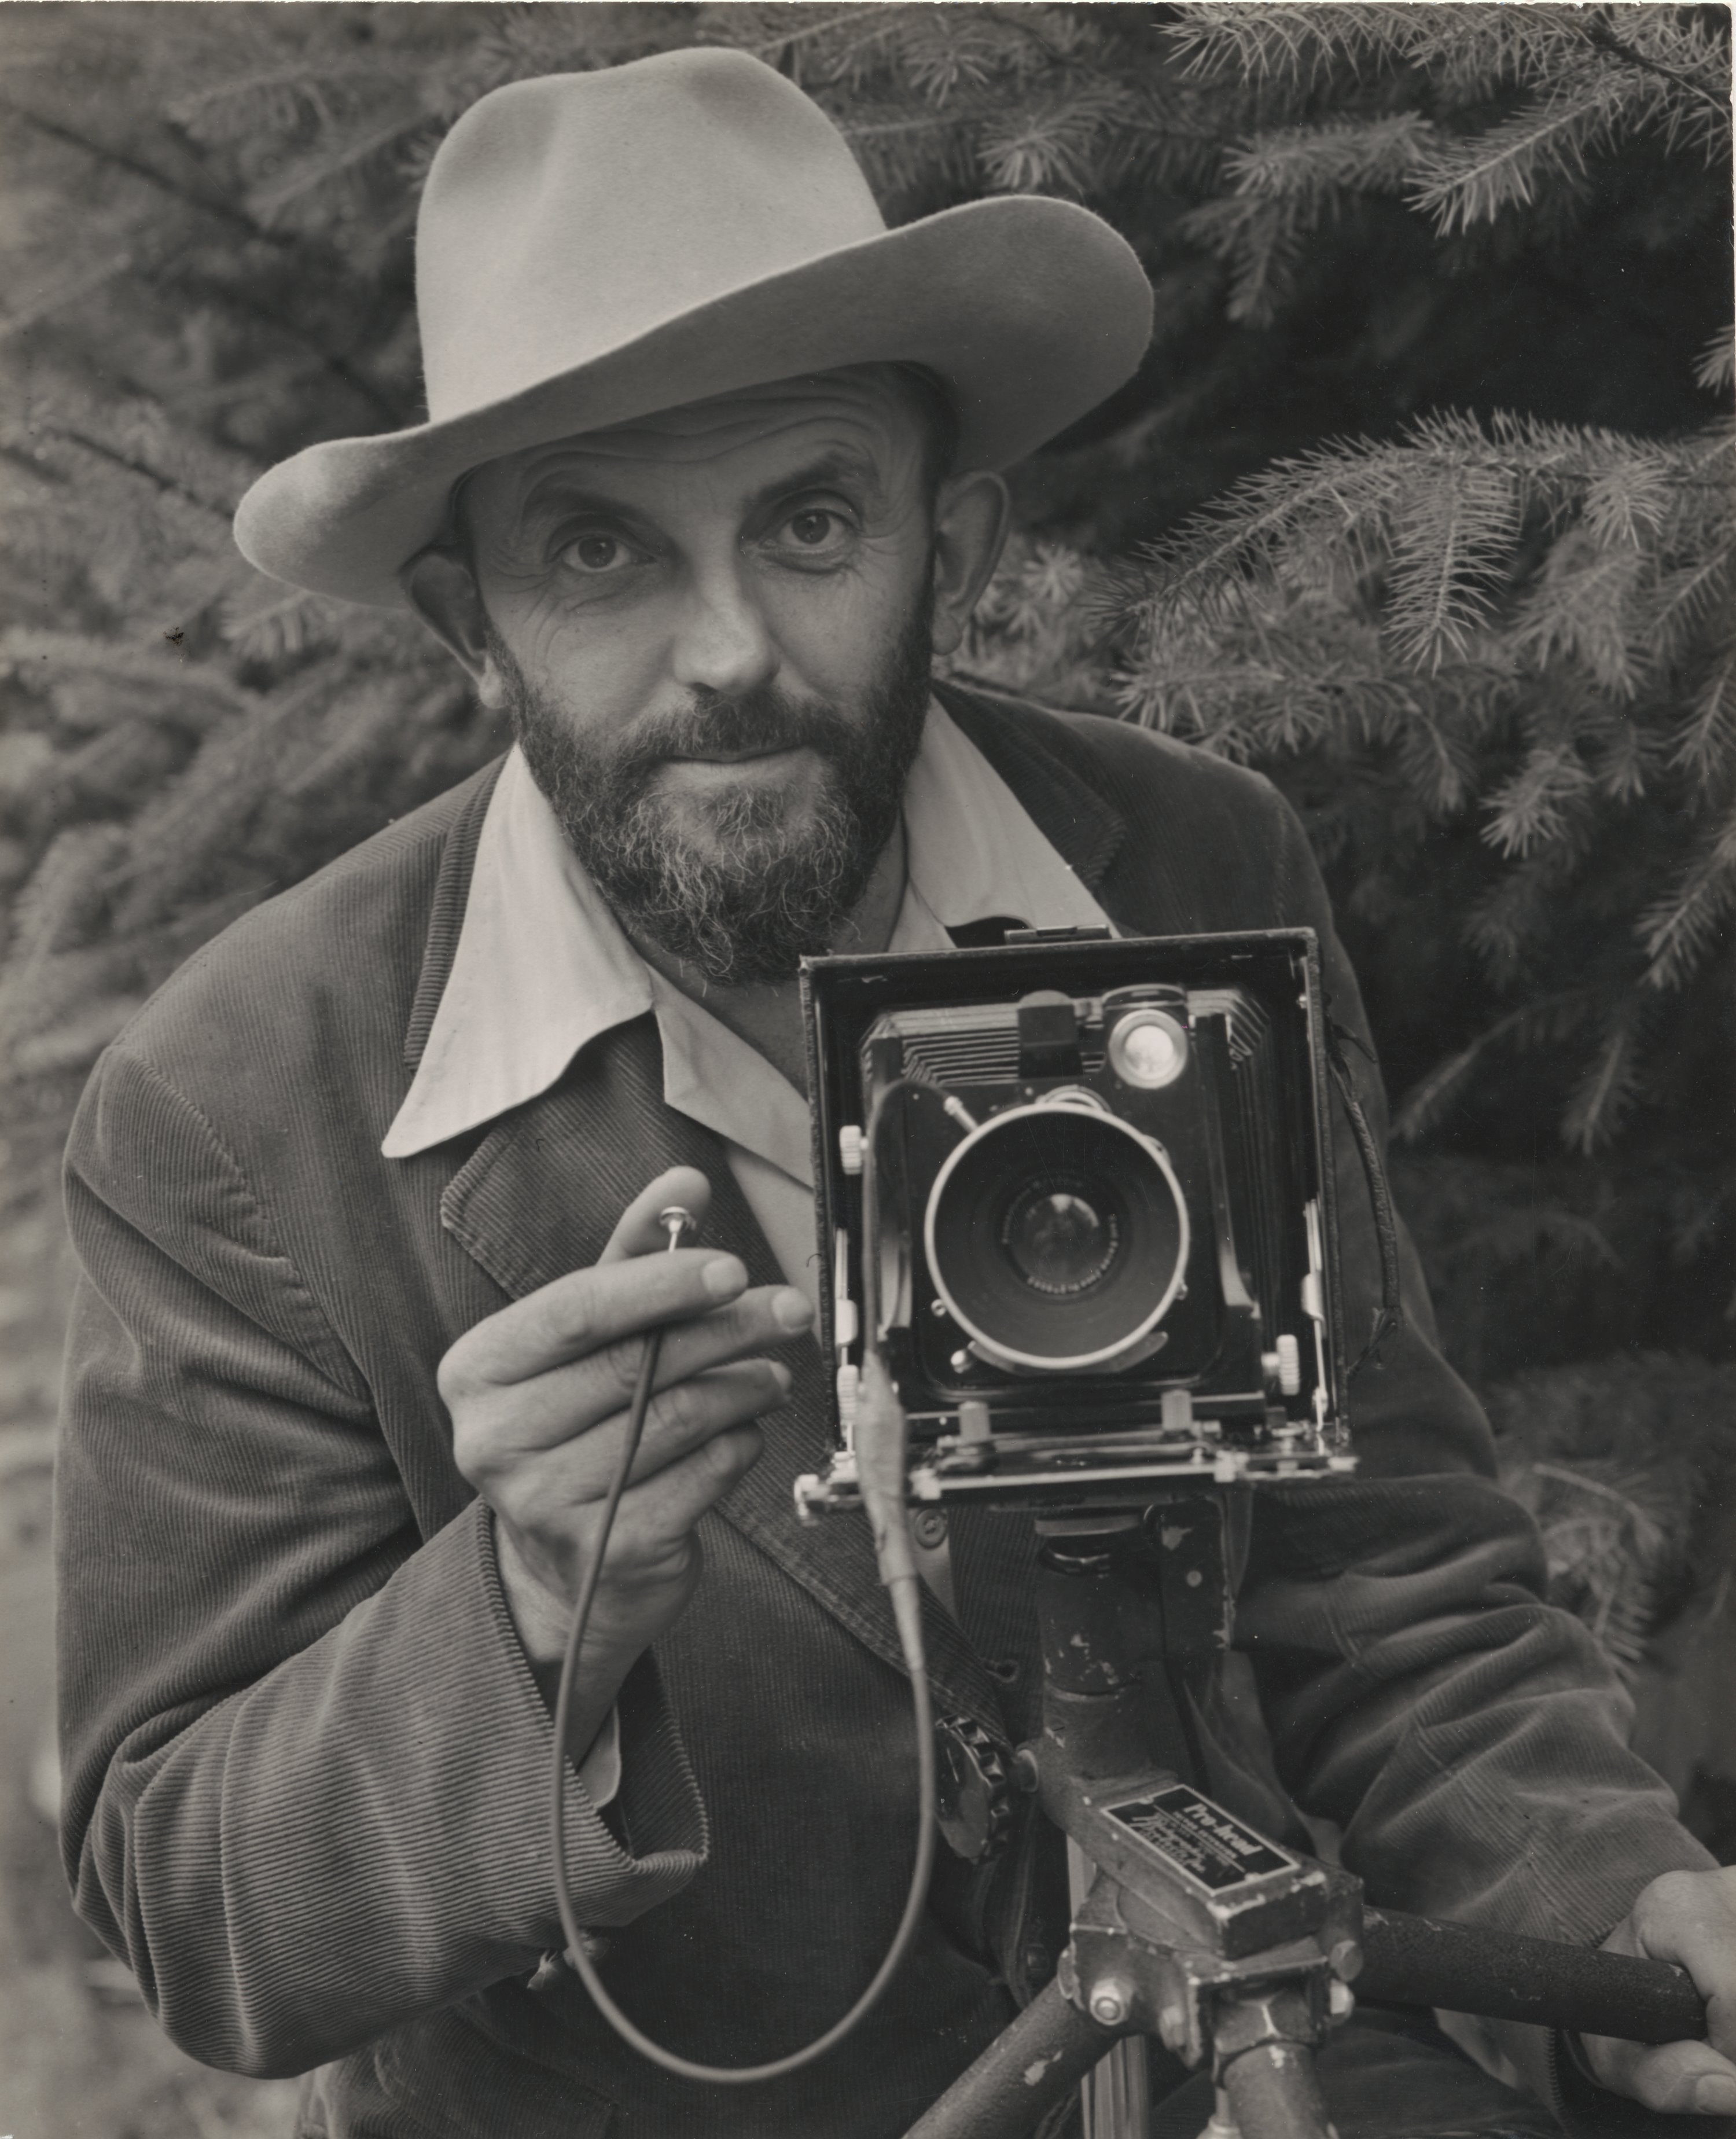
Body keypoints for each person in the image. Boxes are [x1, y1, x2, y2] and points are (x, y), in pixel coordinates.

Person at [54, 47, 1735, 2139]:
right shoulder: (236, 1099)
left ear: (961, 538)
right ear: (464, 623)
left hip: (1221, 2054)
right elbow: (196, 1904)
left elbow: (1383, 1561)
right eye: (600, 553)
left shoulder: (1188, 872)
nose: (728, 651)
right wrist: (531, 1605)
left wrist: (1622, 1905)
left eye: (813, 520)